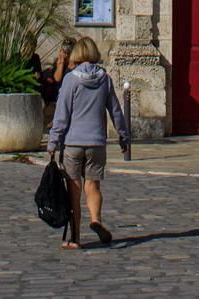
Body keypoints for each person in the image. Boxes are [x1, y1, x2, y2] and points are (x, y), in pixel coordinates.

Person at [44, 34, 131, 250]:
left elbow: (62, 115)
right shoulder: (105, 79)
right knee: (92, 185)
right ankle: (96, 219)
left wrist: (53, 142)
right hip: (96, 143)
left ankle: (76, 239)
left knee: (74, 190)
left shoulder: (71, 79)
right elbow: (116, 111)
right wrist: (123, 135)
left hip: (73, 143)